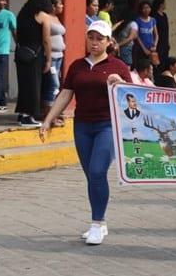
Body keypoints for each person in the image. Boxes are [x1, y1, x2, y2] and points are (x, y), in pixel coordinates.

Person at [39, 20, 131, 245]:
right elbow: (65, 94)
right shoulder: (77, 66)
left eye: (100, 38)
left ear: (109, 42)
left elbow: (131, 97)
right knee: (91, 175)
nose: (95, 42)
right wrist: (48, 120)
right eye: (91, 37)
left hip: (107, 125)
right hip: (82, 126)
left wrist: (118, 83)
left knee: (98, 171)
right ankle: (101, 220)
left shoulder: (118, 66)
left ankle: (96, 223)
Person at [15, 0, 53, 127]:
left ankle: (22, 114)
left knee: (24, 84)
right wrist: (48, 59)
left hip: (21, 52)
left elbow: (16, 32)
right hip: (35, 54)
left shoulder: (22, 13)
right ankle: (28, 116)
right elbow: (46, 40)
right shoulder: (43, 16)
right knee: (34, 85)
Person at [41, 0, 66, 123]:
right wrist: (48, 59)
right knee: (53, 84)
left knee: (56, 86)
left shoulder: (56, 18)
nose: (62, 6)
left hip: (59, 56)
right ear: (52, 6)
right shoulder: (46, 18)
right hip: (50, 57)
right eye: (60, 4)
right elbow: (45, 39)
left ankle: (54, 112)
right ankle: (48, 114)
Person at [132, 1, 158, 66]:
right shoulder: (137, 20)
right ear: (141, 10)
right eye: (144, 8)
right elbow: (137, 36)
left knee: (151, 67)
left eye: (148, 7)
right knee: (141, 66)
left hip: (151, 48)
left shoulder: (152, 20)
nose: (146, 10)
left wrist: (155, 45)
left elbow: (156, 35)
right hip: (140, 48)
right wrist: (144, 49)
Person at [151, 0, 170, 67]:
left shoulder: (164, 15)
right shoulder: (154, 16)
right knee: (157, 62)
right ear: (161, 5)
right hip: (158, 42)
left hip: (165, 42)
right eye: (164, 3)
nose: (165, 5)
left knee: (165, 61)